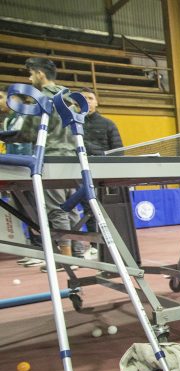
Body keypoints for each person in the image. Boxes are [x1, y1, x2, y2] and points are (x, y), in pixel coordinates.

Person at [11, 58, 84, 270]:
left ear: (41, 74)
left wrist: (10, 136)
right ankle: (78, 253)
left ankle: (66, 260)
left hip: (51, 157)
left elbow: (29, 132)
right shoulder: (69, 96)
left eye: (31, 74)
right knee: (72, 208)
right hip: (72, 157)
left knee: (57, 209)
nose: (29, 78)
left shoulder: (41, 100)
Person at [79, 87, 124, 258]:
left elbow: (118, 151)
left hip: (104, 175)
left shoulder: (108, 124)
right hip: (82, 174)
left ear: (96, 102)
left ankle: (115, 246)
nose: (87, 101)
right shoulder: (72, 125)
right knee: (88, 211)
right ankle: (94, 246)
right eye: (83, 98)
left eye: (90, 98)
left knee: (106, 211)